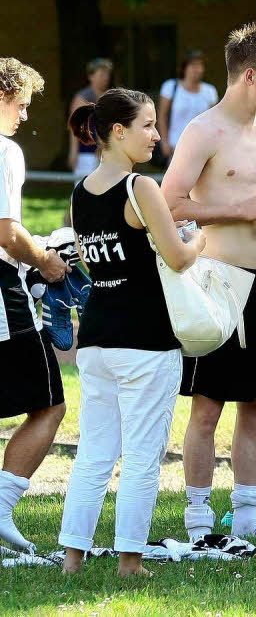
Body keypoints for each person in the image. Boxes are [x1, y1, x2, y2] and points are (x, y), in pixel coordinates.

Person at [161, 23, 256, 541]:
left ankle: (248, 514)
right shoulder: (204, 131)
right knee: (208, 407)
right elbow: (168, 204)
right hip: (221, 286)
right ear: (249, 75)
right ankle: (199, 519)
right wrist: (239, 209)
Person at [59, 88, 206, 577]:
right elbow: (180, 257)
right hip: (145, 341)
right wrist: (204, 235)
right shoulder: (139, 186)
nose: (156, 134)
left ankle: (72, 558)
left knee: (93, 455)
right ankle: (129, 561)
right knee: (142, 457)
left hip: (96, 339)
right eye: (147, 125)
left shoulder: (79, 192)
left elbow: (91, 259)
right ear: (117, 132)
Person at [0, 57, 69, 554]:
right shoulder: (4, 151)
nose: (25, 117)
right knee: (49, 402)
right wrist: (45, 260)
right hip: (3, 291)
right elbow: (6, 232)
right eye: (21, 105)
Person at [157, 50, 219, 161]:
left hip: (202, 149)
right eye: (193, 65)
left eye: (200, 65)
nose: (197, 69)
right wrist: (164, 142)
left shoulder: (209, 91)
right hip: (175, 147)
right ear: (185, 67)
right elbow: (162, 116)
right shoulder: (170, 87)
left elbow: (213, 121)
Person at [67, 58, 113, 178]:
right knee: (84, 187)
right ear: (91, 76)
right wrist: (73, 152)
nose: (106, 77)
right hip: (86, 152)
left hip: (107, 152)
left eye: (107, 74)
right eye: (102, 74)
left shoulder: (110, 97)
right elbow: (74, 127)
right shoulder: (82, 98)